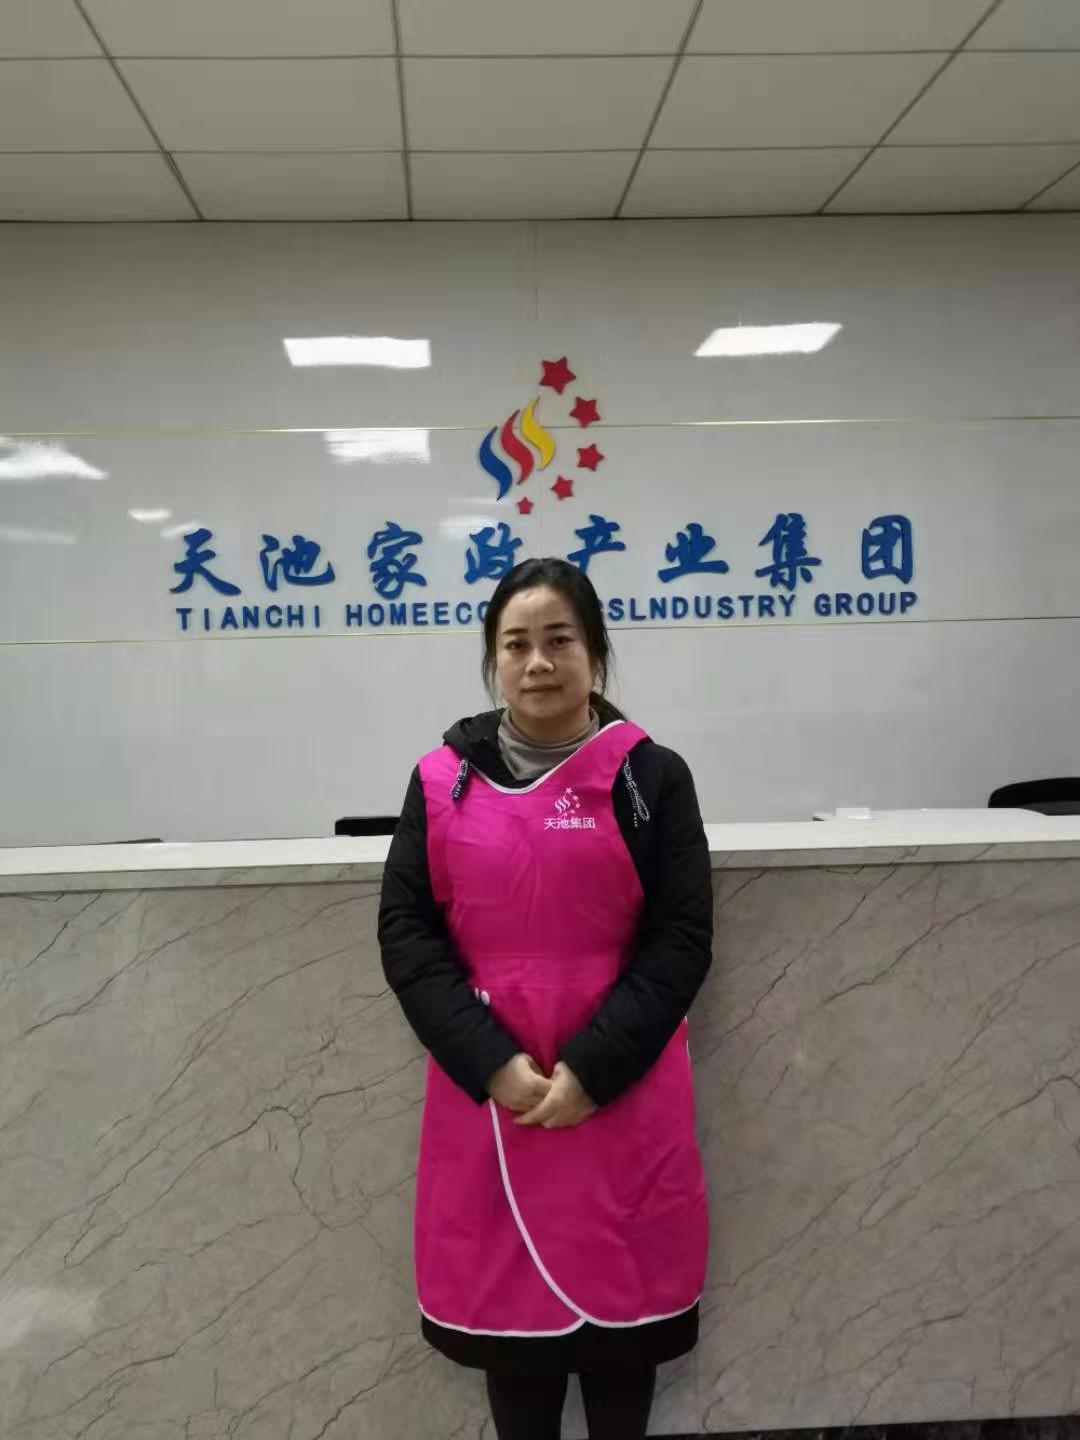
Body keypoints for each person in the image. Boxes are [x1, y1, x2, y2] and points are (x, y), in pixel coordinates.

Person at [379, 557, 713, 1440]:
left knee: (623, 1346)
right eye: (515, 644)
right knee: (513, 1347)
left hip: (621, 1093)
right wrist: (491, 1063)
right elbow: (408, 937)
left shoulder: (651, 777)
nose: (537, 663)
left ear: (595, 652)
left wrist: (594, 1070)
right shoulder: (439, 781)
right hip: (498, 1101)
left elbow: (680, 940)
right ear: (492, 660)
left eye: (559, 640)